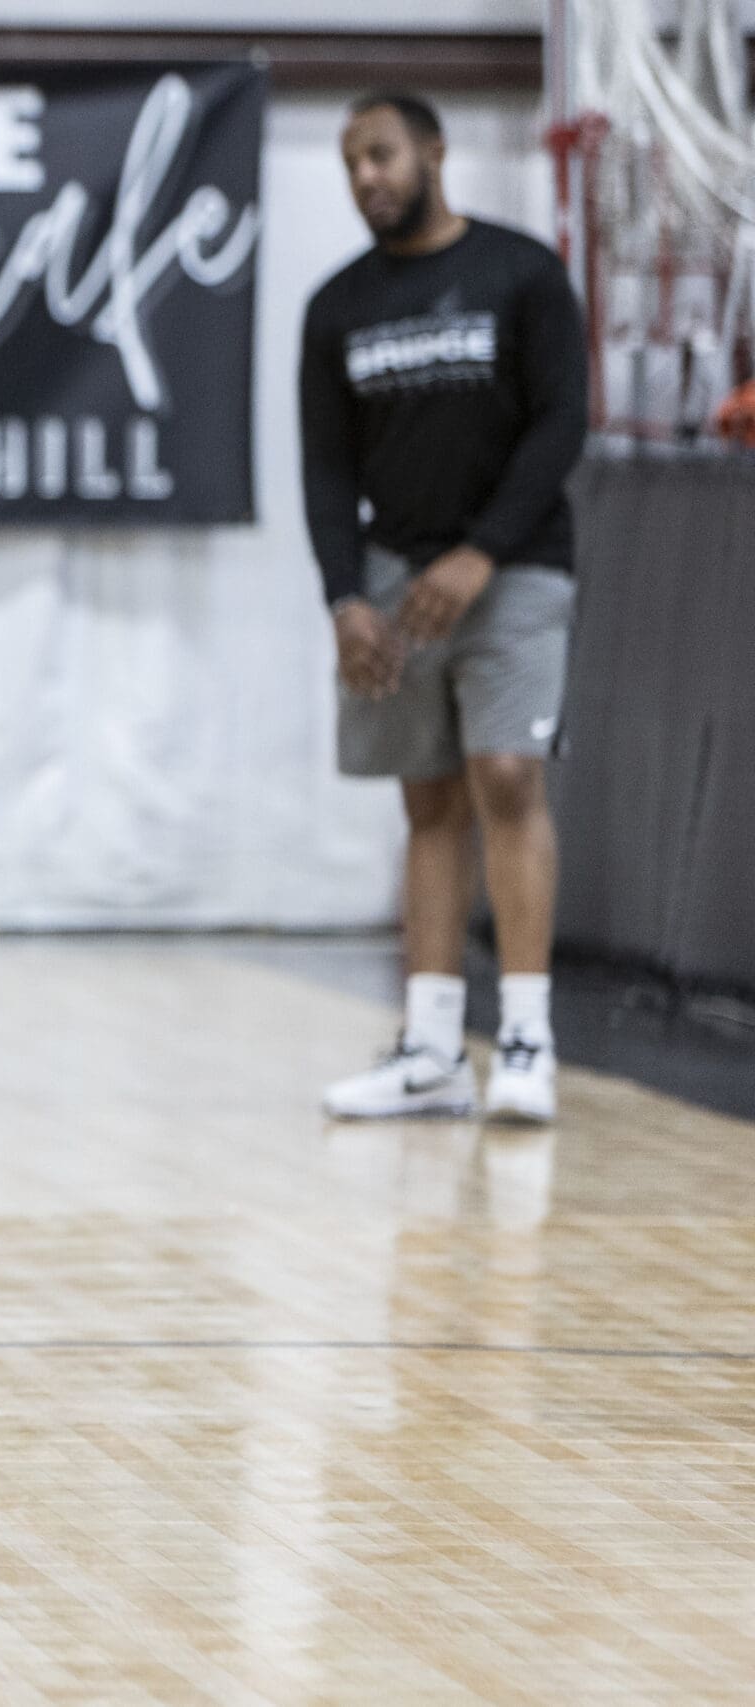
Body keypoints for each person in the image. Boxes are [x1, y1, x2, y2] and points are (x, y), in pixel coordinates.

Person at [301, 91, 587, 1125]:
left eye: (378, 154)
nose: (364, 176)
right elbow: (326, 473)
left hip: (513, 568)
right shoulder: (336, 305)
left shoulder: (520, 273)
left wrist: (481, 553)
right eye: (348, 164)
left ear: (431, 150)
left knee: (504, 775)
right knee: (426, 798)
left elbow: (561, 424)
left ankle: (523, 1036)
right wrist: (344, 600)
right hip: (392, 578)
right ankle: (428, 1050)